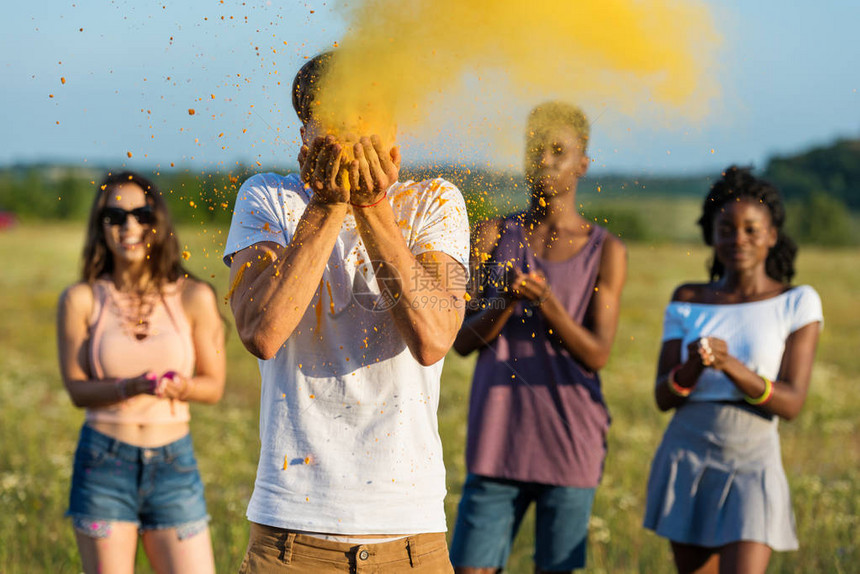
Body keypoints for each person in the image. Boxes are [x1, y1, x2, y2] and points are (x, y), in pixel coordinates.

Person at [223, 51, 470, 573]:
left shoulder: (434, 201)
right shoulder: (268, 197)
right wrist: (328, 204)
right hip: (290, 536)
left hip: (410, 538)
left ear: (396, 136)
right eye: (335, 121)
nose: (352, 138)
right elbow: (263, 332)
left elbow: (433, 337)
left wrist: (374, 204)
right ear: (305, 138)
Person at [449, 102, 628, 574]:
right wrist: (503, 303)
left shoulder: (605, 250)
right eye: (535, 149)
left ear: (583, 162)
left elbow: (597, 354)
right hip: (497, 437)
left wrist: (547, 303)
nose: (544, 160)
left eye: (558, 151)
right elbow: (461, 343)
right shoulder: (490, 234)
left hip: (569, 441)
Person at [643, 166, 823, 574]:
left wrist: (730, 367)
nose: (737, 239)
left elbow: (792, 403)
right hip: (687, 450)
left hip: (753, 454)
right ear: (712, 234)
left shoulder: (797, 302)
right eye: (726, 228)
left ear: (772, 235)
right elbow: (662, 397)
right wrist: (693, 366)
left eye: (750, 229)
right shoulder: (688, 299)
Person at [57, 171, 226, 574]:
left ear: (158, 221)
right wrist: (127, 387)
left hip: (174, 465)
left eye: (141, 214)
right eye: (114, 216)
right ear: (101, 227)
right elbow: (77, 391)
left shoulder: (193, 296)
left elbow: (214, 386)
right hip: (103, 464)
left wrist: (181, 387)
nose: (129, 226)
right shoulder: (81, 299)